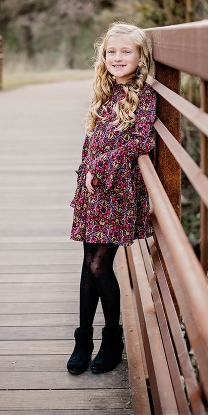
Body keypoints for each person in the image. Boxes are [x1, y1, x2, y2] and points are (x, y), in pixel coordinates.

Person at [66, 22, 157, 375]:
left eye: (126, 51)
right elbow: (94, 138)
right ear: (103, 56)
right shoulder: (104, 89)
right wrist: (88, 168)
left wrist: (102, 165)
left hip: (117, 190)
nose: (117, 58)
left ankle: (112, 339)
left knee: (100, 265)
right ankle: (83, 338)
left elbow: (141, 141)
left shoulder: (144, 95)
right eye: (111, 51)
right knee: (88, 262)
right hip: (91, 189)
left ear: (140, 56)